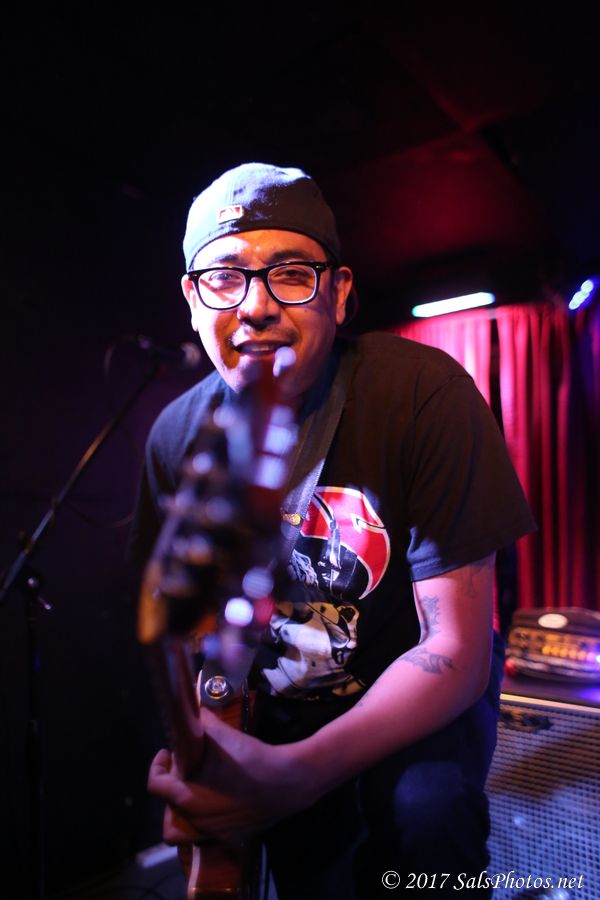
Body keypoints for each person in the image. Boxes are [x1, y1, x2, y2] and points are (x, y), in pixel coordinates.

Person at [131, 162, 536, 898]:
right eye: (224, 278)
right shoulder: (175, 438)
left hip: (414, 704)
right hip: (280, 705)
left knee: (428, 821)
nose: (256, 306)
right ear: (192, 299)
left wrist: (299, 774)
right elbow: (192, 637)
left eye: (291, 274)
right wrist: (203, 752)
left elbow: (457, 648)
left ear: (340, 293)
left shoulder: (423, 394)